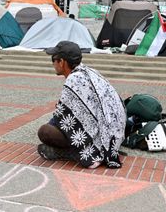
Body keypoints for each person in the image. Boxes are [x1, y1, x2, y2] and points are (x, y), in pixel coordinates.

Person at [37, 40, 126, 168]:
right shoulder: (89, 71)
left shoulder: (73, 80)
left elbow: (61, 118)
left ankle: (71, 153)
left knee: (45, 131)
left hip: (100, 140)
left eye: (53, 60)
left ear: (62, 62)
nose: (53, 64)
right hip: (114, 135)